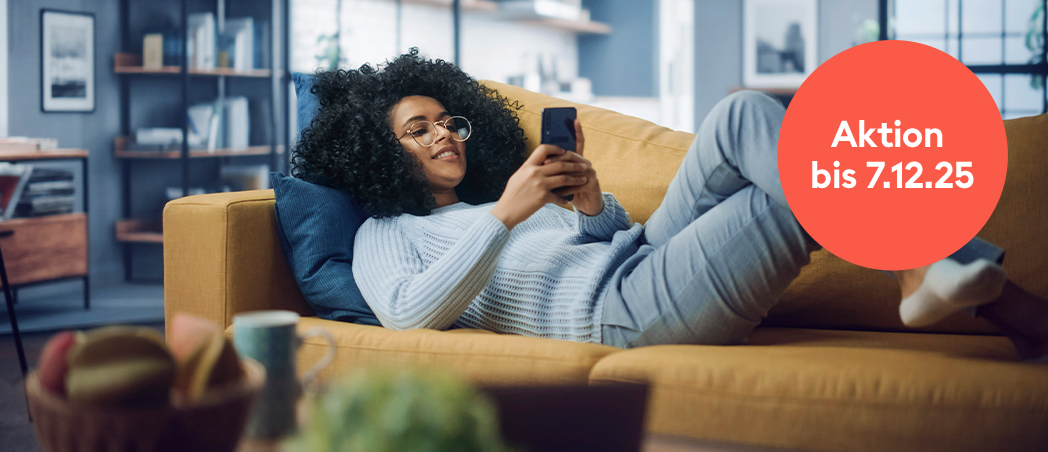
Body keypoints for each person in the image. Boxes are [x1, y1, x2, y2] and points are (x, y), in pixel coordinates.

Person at [292, 49, 1047, 361]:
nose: (442, 137)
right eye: (415, 130)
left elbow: (604, 240)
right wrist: (505, 216)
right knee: (790, 205)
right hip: (621, 312)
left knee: (744, 114)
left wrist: (591, 206)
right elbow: (407, 313)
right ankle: (965, 281)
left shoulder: (503, 193)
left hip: (639, 254)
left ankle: (933, 267)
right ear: (377, 152)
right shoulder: (387, 234)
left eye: (447, 122)